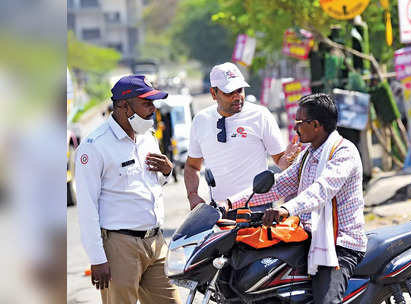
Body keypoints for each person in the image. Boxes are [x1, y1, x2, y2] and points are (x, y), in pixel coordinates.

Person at [224, 93, 367, 304]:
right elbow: (280, 184)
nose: (295, 128)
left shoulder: (344, 152)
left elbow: (322, 190)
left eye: (299, 122)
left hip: (340, 245)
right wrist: (228, 203)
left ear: (316, 125)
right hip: (308, 235)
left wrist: (286, 210)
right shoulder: (308, 154)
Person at [75, 75, 178, 304]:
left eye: (154, 103)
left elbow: (149, 185)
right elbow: (87, 207)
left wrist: (167, 172)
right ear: (123, 104)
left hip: (156, 242)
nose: (153, 109)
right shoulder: (95, 146)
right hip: (120, 246)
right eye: (146, 103)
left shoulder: (147, 138)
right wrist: (97, 258)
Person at [185, 62, 301, 210]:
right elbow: (192, 166)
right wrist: (192, 194)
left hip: (257, 208)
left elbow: (280, 161)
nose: (237, 97)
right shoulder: (201, 120)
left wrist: (290, 157)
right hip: (220, 211)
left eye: (239, 90)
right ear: (214, 94)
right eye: (229, 92)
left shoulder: (261, 115)